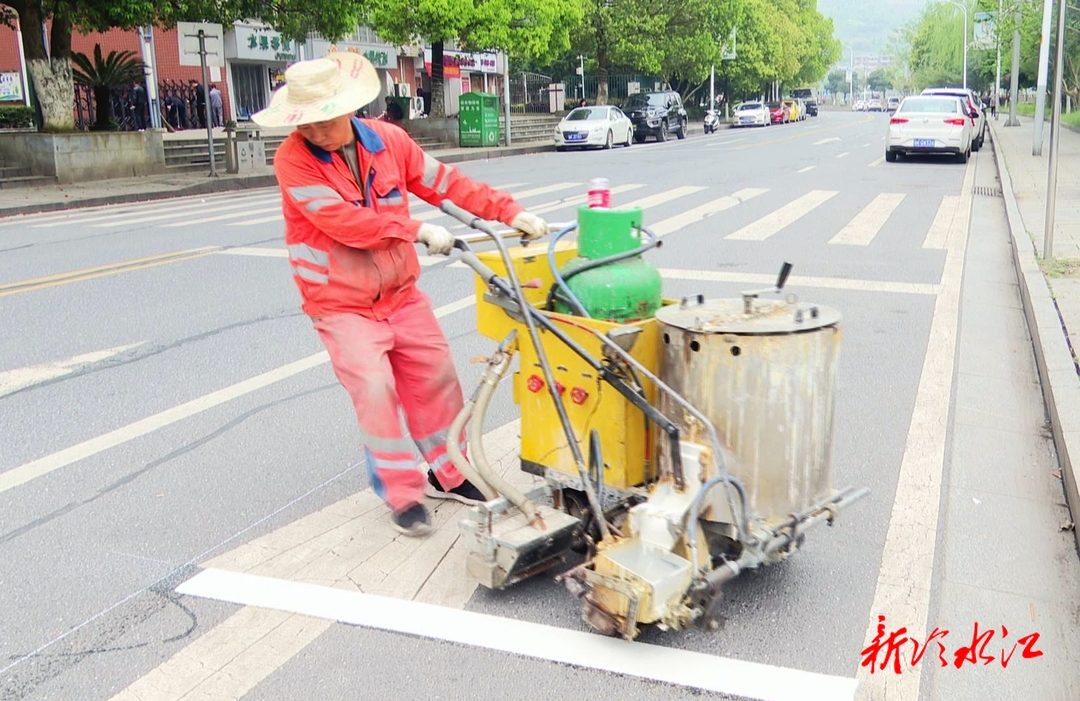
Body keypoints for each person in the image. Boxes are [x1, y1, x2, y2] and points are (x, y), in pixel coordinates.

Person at [252, 51, 550, 536]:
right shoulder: (293, 161)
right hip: (340, 303)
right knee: (374, 391)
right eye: (306, 124)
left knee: (435, 379)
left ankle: (450, 472)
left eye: (324, 121)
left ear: (346, 109)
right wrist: (413, 228)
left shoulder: (388, 141)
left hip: (400, 294)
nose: (316, 132)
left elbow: (445, 183)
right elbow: (343, 223)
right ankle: (403, 495)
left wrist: (507, 212)